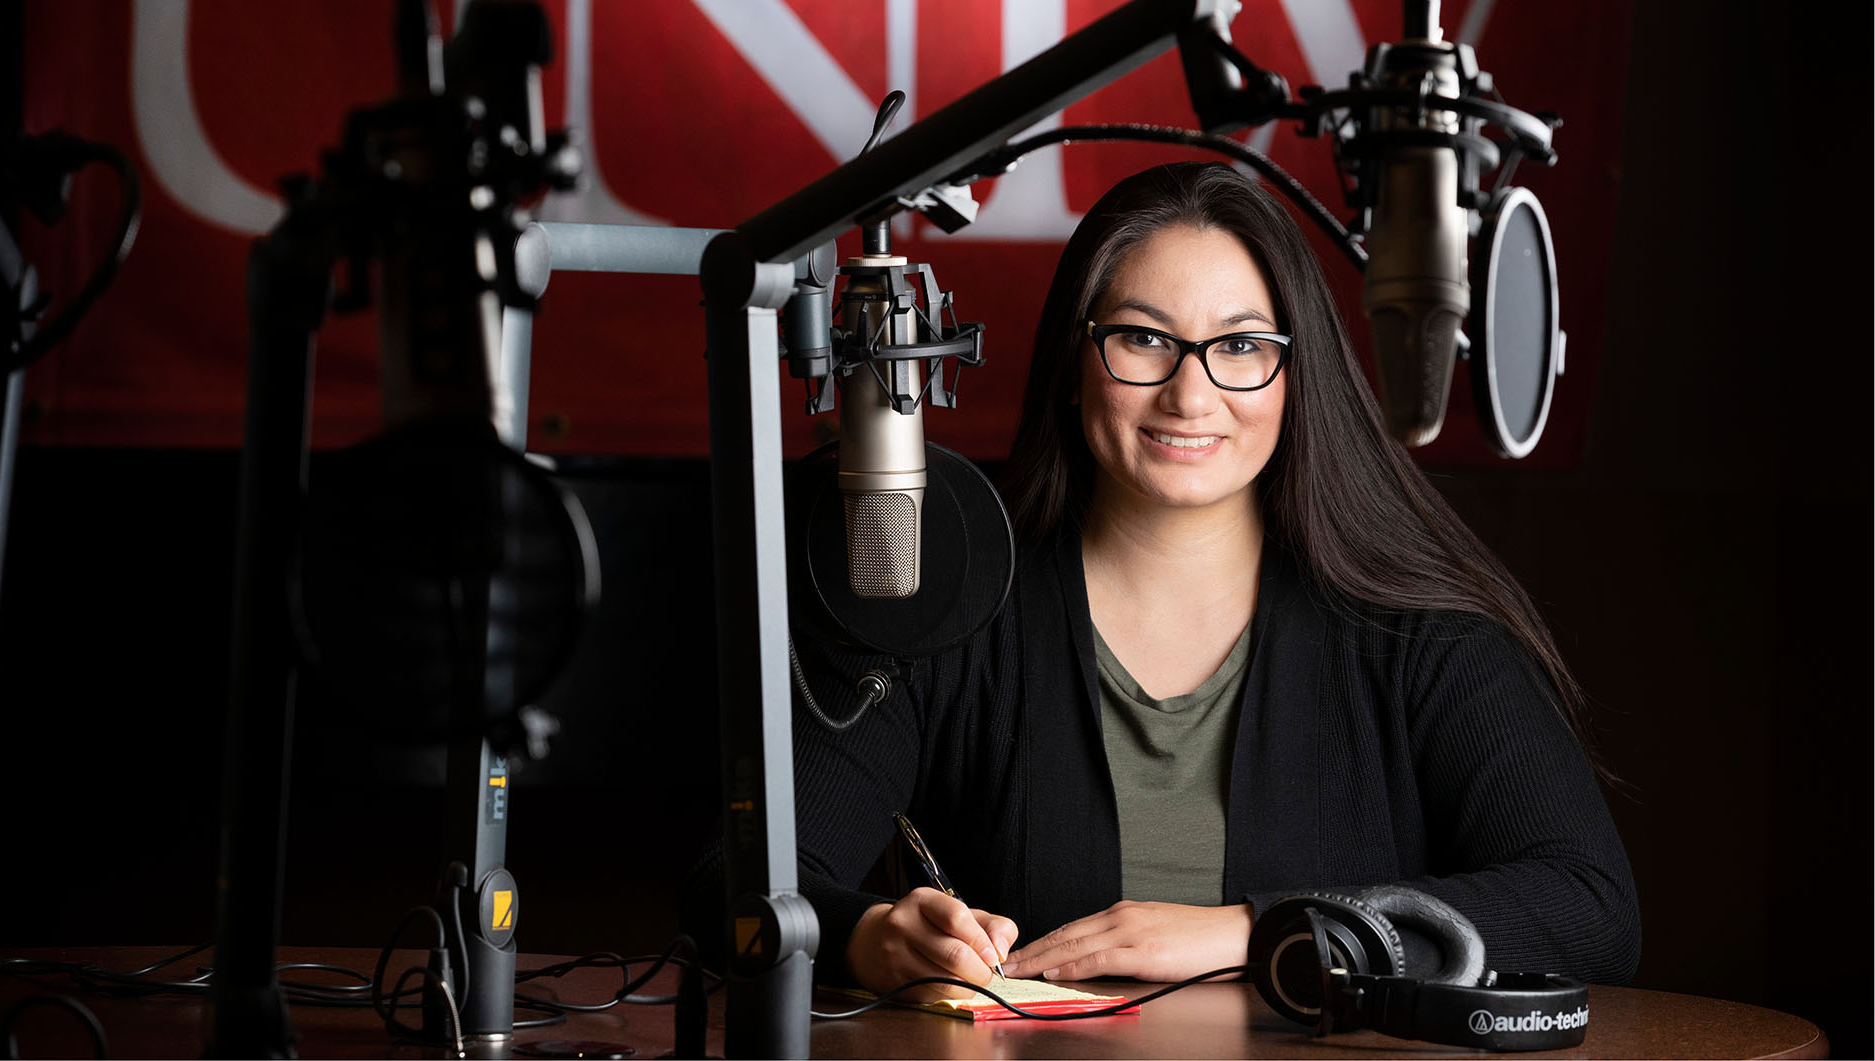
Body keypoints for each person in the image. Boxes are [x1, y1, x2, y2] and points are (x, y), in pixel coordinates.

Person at [689, 161, 1638, 1001]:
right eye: (1143, 339)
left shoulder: (1419, 633)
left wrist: (1257, 930)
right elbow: (735, 876)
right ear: (1074, 361)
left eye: (1240, 346)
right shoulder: (945, 604)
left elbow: (1589, 904)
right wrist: (869, 936)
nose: (1191, 394)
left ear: (1295, 378)